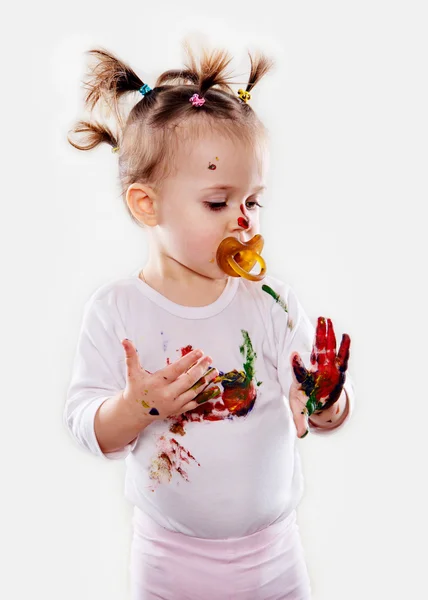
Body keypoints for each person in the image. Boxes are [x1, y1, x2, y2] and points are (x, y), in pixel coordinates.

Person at [64, 41, 355, 600]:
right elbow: (86, 426)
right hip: (169, 562)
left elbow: (317, 410)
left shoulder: (269, 301)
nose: (243, 221)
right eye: (219, 203)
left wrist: (325, 398)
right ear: (147, 205)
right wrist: (135, 407)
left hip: (274, 559)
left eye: (254, 201)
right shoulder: (117, 310)